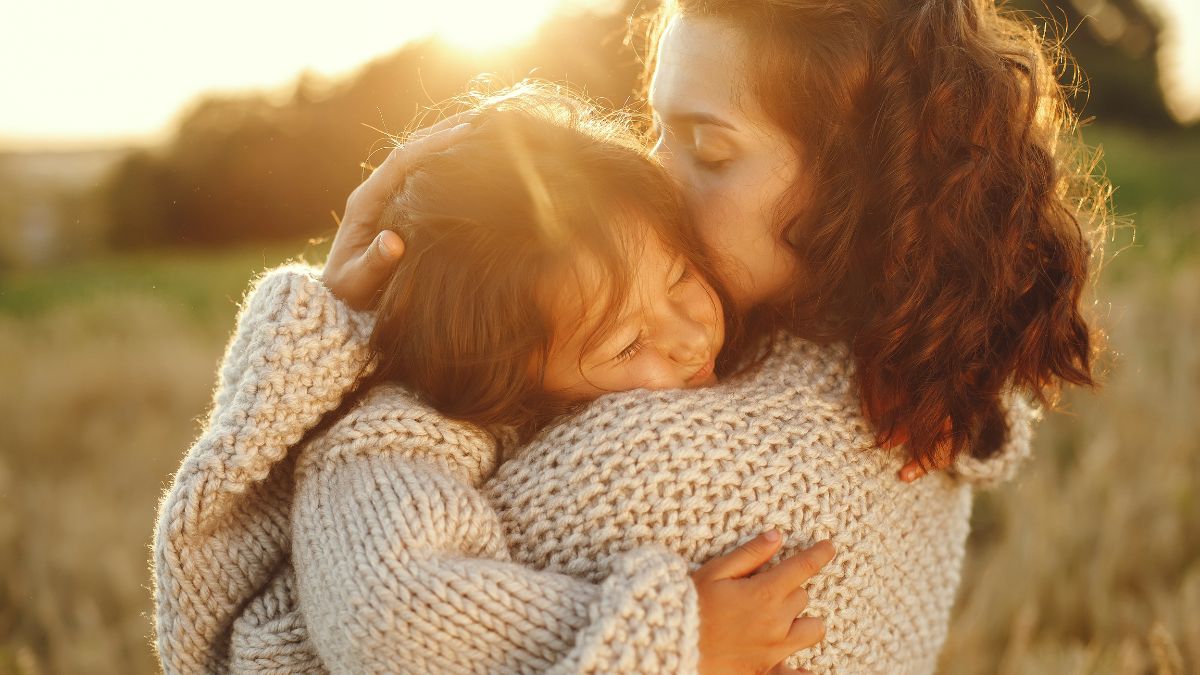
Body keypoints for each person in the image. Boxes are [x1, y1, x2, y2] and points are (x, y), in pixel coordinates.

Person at [155, 0, 1108, 671]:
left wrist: (341, 345)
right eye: (657, 131)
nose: (657, 178)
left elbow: (269, 641)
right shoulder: (919, 392)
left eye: (711, 147)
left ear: (862, 182)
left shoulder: (651, 462)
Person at [154, 83, 834, 675]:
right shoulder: (389, 447)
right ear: (506, 374)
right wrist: (678, 638)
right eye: (628, 343)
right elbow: (390, 612)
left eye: (681, 275)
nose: (689, 336)